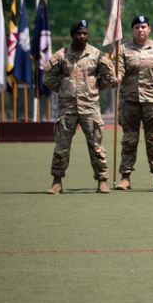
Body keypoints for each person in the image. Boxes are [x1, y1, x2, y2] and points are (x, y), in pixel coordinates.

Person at [43, 19, 119, 194]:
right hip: (67, 109)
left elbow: (109, 76)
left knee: (96, 146)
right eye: (79, 33)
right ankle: (57, 181)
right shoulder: (61, 55)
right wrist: (63, 89)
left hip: (90, 108)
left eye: (85, 33)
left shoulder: (97, 55)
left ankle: (102, 180)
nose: (82, 36)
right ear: (73, 35)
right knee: (62, 146)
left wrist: (95, 88)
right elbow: (48, 78)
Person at [116, 15, 153, 191]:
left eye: (144, 27)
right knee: (129, 140)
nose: (140, 30)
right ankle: (125, 177)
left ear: (149, 29)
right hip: (129, 101)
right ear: (132, 30)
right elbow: (119, 73)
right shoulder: (123, 50)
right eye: (137, 27)